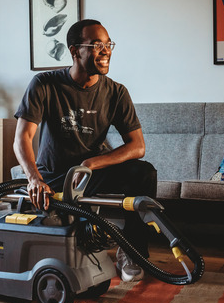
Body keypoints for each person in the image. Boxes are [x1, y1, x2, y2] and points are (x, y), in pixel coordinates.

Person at [13, 19, 157, 282]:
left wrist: (91, 163)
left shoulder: (116, 92)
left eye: (108, 44)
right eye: (96, 45)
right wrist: (34, 178)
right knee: (76, 239)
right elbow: (22, 137)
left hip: (91, 172)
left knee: (143, 173)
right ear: (74, 51)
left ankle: (132, 251)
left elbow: (138, 146)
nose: (105, 51)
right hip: (56, 175)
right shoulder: (44, 84)